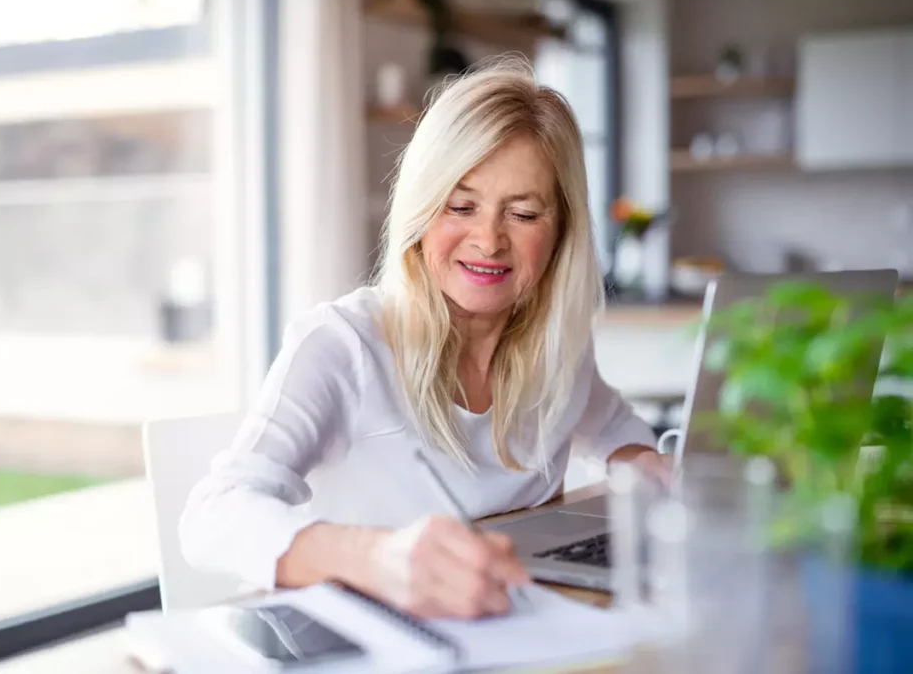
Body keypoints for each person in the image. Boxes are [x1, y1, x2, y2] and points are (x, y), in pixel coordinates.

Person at [180, 57, 670, 621]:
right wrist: (377, 557)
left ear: (560, 232)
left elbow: (612, 428)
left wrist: (645, 464)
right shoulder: (343, 345)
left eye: (524, 214)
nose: (488, 240)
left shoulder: (555, 344)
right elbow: (213, 516)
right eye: (461, 206)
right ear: (420, 209)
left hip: (519, 626)